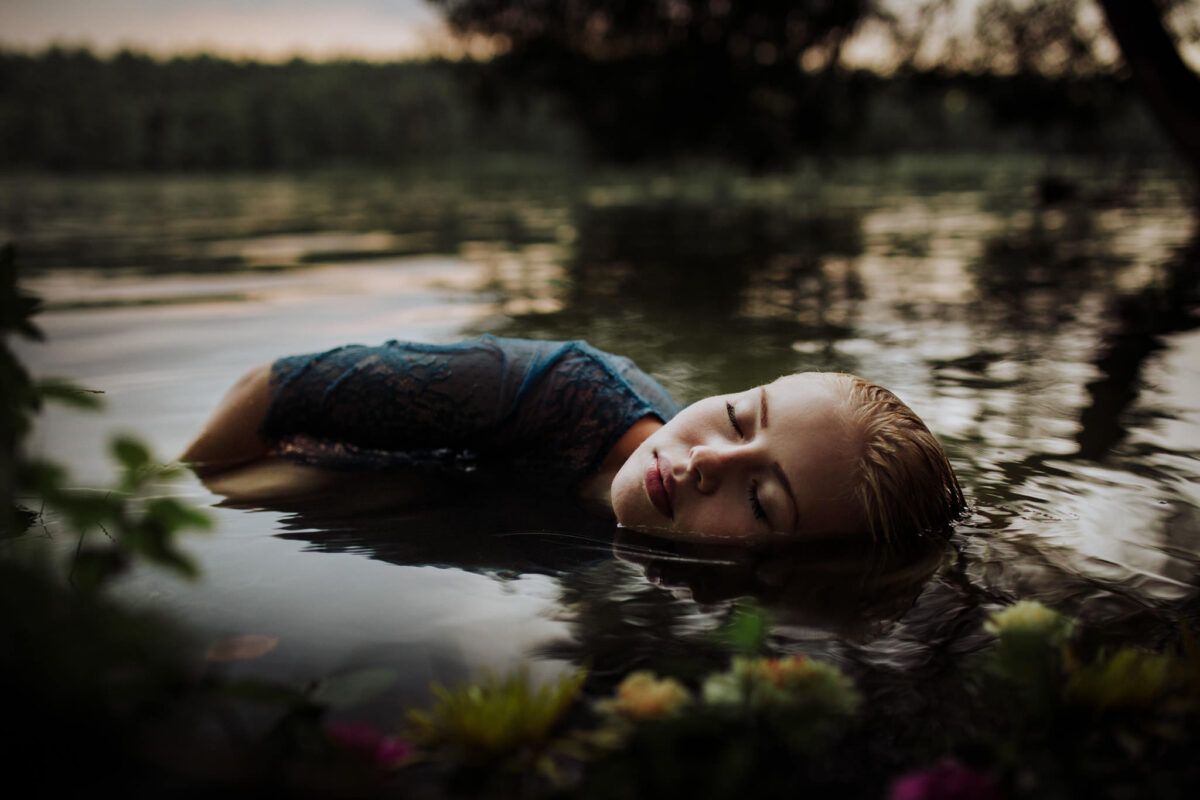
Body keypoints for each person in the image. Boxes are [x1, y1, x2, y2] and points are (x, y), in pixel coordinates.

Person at [182, 335, 964, 547]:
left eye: (761, 499)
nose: (704, 462)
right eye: (734, 416)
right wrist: (184, 486)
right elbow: (273, 387)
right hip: (287, 462)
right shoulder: (543, 384)